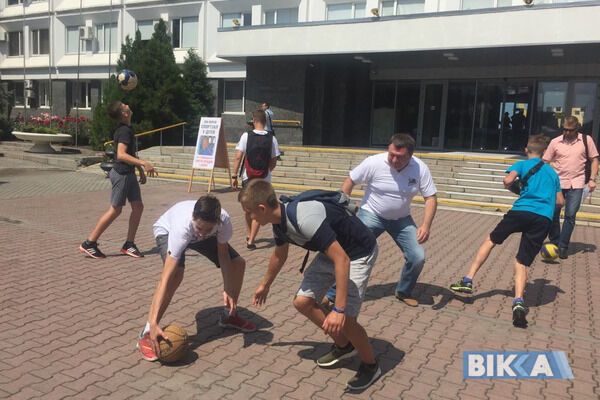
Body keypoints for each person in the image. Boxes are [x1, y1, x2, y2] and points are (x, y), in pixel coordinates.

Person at [239, 180, 381, 391]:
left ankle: (371, 365)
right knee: (302, 302)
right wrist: (265, 285)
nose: (249, 217)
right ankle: (344, 345)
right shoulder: (278, 221)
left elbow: (342, 260)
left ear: (262, 208)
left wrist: (339, 310)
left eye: (249, 212)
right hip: (332, 251)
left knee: (347, 320)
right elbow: (279, 254)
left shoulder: (303, 218)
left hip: (358, 252)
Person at [450, 135, 564, 328]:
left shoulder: (521, 164)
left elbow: (507, 180)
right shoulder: (553, 173)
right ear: (545, 152)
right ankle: (519, 301)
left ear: (527, 149)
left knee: (491, 240)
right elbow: (560, 201)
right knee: (522, 261)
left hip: (520, 211)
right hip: (542, 218)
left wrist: (516, 186)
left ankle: (468, 280)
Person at [137, 195, 256, 361]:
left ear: (217, 223)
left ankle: (229, 315)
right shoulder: (182, 227)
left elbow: (223, 255)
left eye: (208, 229)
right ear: (193, 218)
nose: (202, 234)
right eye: (200, 228)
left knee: (238, 263)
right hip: (167, 230)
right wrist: (154, 321)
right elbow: (165, 278)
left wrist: (228, 288)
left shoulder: (223, 221)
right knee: (176, 274)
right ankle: (148, 331)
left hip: (196, 233)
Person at [326, 133, 437, 307]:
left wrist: (426, 225)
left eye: (399, 157)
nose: (393, 159)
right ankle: (333, 294)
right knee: (351, 251)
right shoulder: (374, 162)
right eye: (391, 154)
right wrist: (343, 208)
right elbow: (350, 181)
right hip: (372, 214)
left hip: (401, 219)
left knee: (417, 256)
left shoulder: (420, 168)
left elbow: (430, 198)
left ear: (411, 155)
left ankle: (403, 291)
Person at [79, 100, 156, 259]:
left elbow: (130, 154)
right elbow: (121, 155)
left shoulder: (127, 129)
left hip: (128, 173)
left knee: (138, 207)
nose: (128, 104)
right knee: (116, 210)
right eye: (124, 105)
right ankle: (89, 243)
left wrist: (140, 170)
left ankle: (129, 244)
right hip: (122, 174)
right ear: (124, 113)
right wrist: (143, 163)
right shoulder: (124, 131)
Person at [543, 116, 599, 259]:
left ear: (577, 128)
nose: (567, 133)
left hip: (577, 183)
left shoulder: (586, 140)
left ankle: (562, 246)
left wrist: (592, 179)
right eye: (564, 130)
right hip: (558, 184)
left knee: (570, 216)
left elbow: (594, 159)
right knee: (553, 214)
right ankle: (555, 241)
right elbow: (545, 161)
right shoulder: (555, 142)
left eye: (570, 130)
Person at [231, 109, 281, 250]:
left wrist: (234, 175)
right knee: (259, 208)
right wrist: (266, 172)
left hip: (248, 177)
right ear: (265, 121)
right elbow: (274, 160)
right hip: (264, 179)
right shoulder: (272, 138)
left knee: (248, 208)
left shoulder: (246, 136)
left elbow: (238, 157)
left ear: (254, 121)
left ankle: (249, 236)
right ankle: (251, 239)